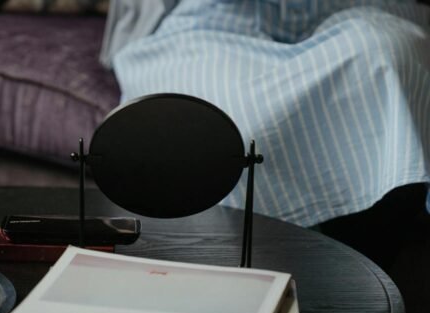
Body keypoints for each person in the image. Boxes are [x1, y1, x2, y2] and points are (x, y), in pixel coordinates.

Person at [103, 0, 430, 227]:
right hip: (216, 24)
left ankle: (357, 285)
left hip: (362, 14)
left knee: (391, 60)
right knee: (222, 126)